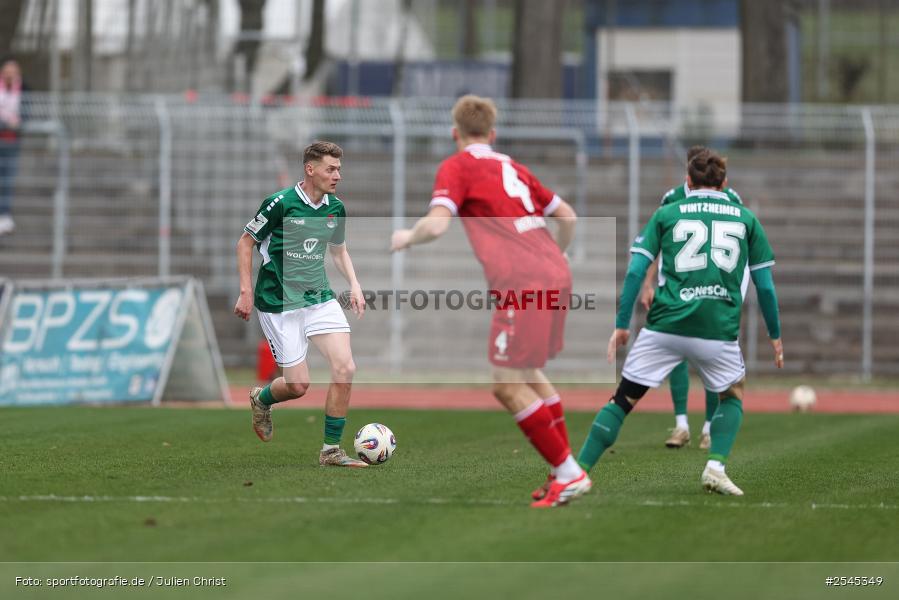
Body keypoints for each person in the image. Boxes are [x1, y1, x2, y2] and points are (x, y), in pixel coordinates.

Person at [390, 94, 590, 508]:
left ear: (455, 133)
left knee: (505, 384)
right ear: (493, 133)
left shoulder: (458, 165)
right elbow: (567, 216)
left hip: (523, 280)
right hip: (555, 271)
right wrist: (561, 252)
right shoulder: (513, 166)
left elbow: (438, 225)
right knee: (529, 370)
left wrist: (407, 237)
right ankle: (561, 472)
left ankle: (570, 473)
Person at [577, 149, 783, 496]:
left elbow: (635, 270)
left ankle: (578, 471)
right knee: (733, 393)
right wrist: (775, 335)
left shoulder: (668, 211)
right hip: (717, 329)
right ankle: (715, 466)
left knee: (623, 400)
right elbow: (764, 284)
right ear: (725, 184)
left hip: (665, 326)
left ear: (688, 182)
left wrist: (622, 324)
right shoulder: (746, 218)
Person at [234, 141, 368, 467]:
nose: (337, 175)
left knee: (345, 367)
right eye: (330, 169)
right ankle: (261, 399)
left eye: (338, 169)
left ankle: (331, 451)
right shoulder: (280, 203)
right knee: (297, 386)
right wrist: (246, 291)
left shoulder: (335, 208)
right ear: (311, 169)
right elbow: (245, 242)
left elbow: (338, 250)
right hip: (278, 302)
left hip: (318, 297)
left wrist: (354, 283)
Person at [642, 145, 745, 450]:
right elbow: (655, 245)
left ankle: (710, 427)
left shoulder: (732, 201)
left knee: (709, 357)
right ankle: (681, 424)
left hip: (713, 290)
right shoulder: (671, 199)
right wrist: (649, 284)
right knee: (676, 356)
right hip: (675, 288)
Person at [0, 58, 25, 236]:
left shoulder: (25, 90)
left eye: (13, 70)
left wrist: (17, 122)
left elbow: (29, 111)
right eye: (6, 70)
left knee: (7, 180)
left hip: (12, 142)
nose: (9, 73)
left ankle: (4, 215)